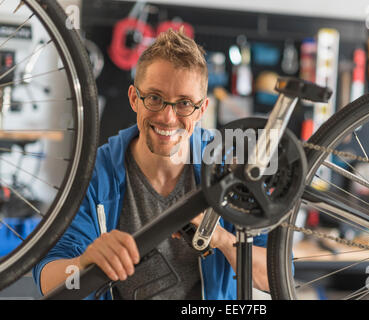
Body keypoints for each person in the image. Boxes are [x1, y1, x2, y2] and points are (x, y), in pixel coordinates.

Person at [32, 29, 269, 300]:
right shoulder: (94, 174)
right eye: (155, 98)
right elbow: (48, 282)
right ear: (134, 99)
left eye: (184, 104)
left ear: (201, 110)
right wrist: (85, 263)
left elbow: (275, 278)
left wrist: (223, 241)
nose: (168, 118)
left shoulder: (232, 171)